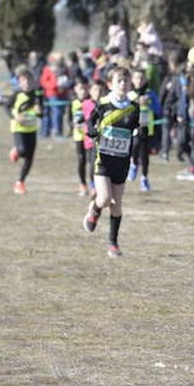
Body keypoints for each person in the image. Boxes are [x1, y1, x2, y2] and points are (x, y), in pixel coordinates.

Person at [83, 66, 141, 257]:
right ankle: (95, 210)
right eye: (119, 81)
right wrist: (91, 130)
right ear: (110, 84)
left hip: (122, 161)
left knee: (116, 204)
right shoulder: (103, 104)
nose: (123, 84)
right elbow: (90, 122)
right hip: (103, 159)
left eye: (126, 80)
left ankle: (113, 243)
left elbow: (135, 129)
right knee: (105, 199)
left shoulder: (134, 107)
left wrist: (138, 137)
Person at [9, 66, 44, 194]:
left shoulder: (37, 94)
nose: (27, 83)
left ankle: (20, 182)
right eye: (24, 80)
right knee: (23, 151)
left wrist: (40, 112)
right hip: (18, 128)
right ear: (19, 82)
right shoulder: (16, 94)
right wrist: (15, 115)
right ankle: (16, 150)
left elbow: (41, 113)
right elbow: (7, 107)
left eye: (29, 80)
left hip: (32, 128)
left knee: (30, 157)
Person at [128, 67, 158, 192]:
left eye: (141, 77)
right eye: (136, 77)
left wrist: (149, 103)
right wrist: (135, 103)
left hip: (147, 127)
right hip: (134, 126)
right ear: (132, 80)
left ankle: (144, 178)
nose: (139, 80)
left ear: (145, 79)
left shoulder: (150, 93)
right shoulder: (129, 94)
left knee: (145, 154)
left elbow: (158, 109)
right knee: (135, 146)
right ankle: (134, 163)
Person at [68, 78, 91, 194]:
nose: (83, 91)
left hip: (90, 136)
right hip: (78, 136)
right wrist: (73, 125)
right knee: (81, 159)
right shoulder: (72, 102)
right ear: (76, 89)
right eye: (81, 89)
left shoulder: (91, 102)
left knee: (91, 160)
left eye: (86, 88)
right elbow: (68, 120)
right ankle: (82, 183)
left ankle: (93, 184)